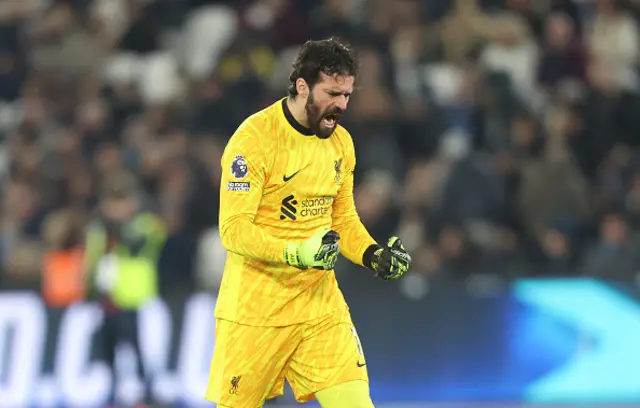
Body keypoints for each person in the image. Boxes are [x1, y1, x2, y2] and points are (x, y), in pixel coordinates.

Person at [205, 38, 412, 408]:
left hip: (320, 308)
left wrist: (372, 254)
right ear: (302, 87)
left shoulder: (341, 144)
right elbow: (233, 229)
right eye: (333, 93)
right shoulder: (253, 141)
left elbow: (343, 219)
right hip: (256, 313)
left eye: (347, 94)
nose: (342, 105)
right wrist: (298, 253)